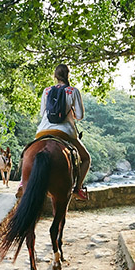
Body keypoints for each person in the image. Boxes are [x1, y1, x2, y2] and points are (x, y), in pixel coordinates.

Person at [36, 64, 91, 200]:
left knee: (27, 154)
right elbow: (79, 116)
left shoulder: (47, 91)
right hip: (64, 132)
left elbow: (43, 112)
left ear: (55, 76)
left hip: (43, 130)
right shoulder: (73, 91)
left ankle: (21, 183)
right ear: (68, 75)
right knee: (86, 158)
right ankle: (77, 188)